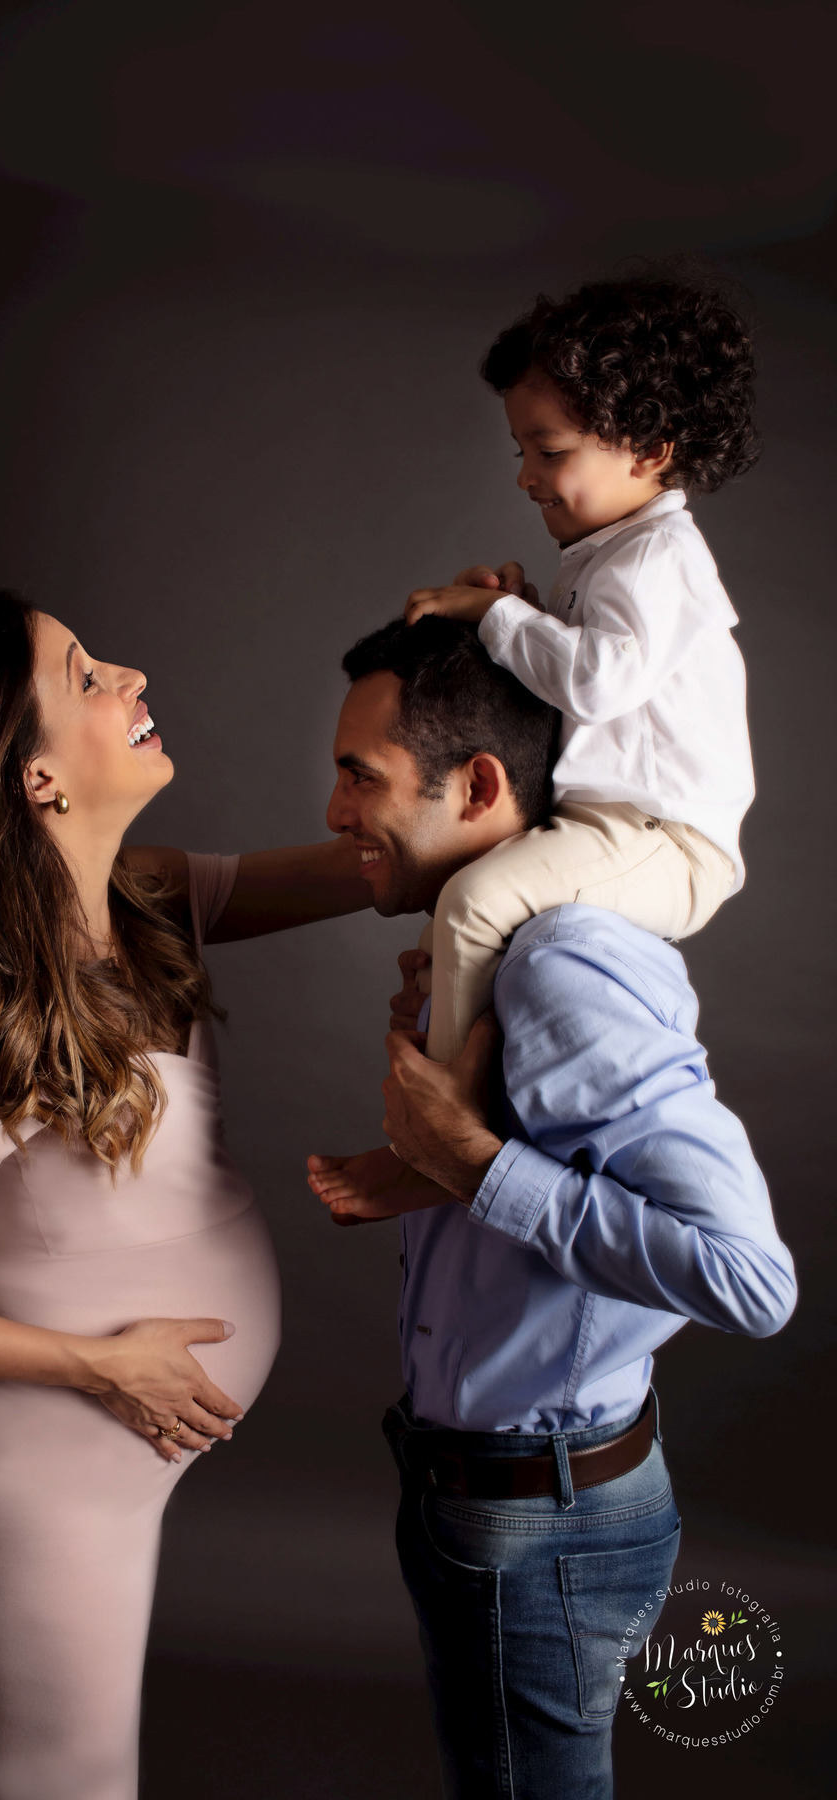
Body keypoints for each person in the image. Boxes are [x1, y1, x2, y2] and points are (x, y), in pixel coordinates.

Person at [0, 591, 370, 1800]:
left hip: (108, 1459)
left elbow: (384, 863)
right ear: (37, 778)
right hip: (38, 1466)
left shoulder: (155, 899)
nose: (132, 676)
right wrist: (103, 1366)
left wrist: (503, 656)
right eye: (87, 675)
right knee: (64, 1784)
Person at [307, 616, 796, 1799]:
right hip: (483, 1496)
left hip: (543, 1523)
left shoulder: (560, 966)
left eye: (360, 777)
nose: (333, 810)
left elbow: (751, 1279)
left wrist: (476, 1165)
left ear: (478, 787)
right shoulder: (487, 953)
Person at [406, 278, 758, 1061]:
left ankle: (444, 1105)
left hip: (668, 841)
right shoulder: (608, 554)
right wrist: (522, 609)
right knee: (446, 924)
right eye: (522, 451)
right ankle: (437, 1050)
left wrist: (497, 617)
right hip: (610, 827)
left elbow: (599, 682)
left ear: (651, 449)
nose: (525, 476)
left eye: (551, 452)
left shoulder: (659, 555)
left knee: (473, 905)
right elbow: (589, 674)